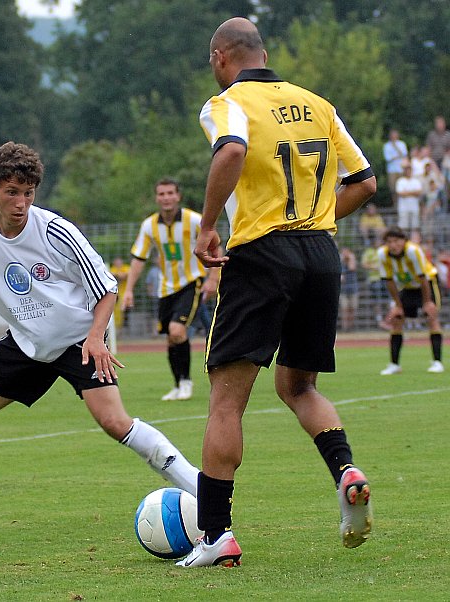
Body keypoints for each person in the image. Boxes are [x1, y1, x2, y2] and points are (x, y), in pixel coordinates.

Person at [0, 142, 200, 529]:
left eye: (28, 193)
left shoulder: (57, 232)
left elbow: (107, 289)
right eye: (11, 193)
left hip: (77, 340)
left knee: (114, 422)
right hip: (27, 343)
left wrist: (94, 336)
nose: (21, 203)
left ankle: (203, 491)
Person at [181, 18, 377, 568]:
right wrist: (314, 220)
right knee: (298, 386)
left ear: (221, 58)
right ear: (263, 53)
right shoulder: (317, 103)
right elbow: (364, 181)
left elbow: (232, 152)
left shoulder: (227, 102)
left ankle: (216, 535)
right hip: (320, 255)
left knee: (227, 399)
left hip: (262, 256)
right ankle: (346, 471)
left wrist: (207, 226)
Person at [121, 178, 219, 401]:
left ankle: (186, 382)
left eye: (170, 193)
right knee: (170, 338)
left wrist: (213, 277)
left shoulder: (194, 221)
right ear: (156, 198)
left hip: (191, 282)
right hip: (165, 288)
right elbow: (138, 258)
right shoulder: (149, 226)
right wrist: (128, 290)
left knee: (177, 330)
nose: (166, 198)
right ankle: (177, 385)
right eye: (161, 194)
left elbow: (215, 245)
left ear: (178, 196)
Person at [377, 227, 444, 375]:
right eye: (389, 242)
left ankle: (437, 362)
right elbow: (389, 281)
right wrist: (398, 305)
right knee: (397, 319)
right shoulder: (382, 254)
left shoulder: (413, 251)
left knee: (431, 317)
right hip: (407, 287)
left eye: (396, 241)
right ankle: (394, 364)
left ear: (404, 241)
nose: (393, 245)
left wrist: (427, 302)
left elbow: (423, 278)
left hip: (427, 283)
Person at [395, 162, 423, 236]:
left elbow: (419, 192)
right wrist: (413, 193)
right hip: (403, 208)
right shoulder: (400, 181)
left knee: (415, 226)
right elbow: (400, 193)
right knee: (403, 226)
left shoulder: (416, 181)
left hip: (414, 207)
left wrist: (407, 192)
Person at [383, 128, 408, 205]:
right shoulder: (386, 146)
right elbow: (387, 158)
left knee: (402, 188)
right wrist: (396, 156)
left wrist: (396, 148)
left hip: (401, 169)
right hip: (392, 170)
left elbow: (404, 154)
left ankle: (402, 204)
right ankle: (395, 204)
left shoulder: (401, 144)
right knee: (393, 189)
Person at [339, 247, 359, 332]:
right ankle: (345, 328)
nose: (345, 254)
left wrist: (351, 258)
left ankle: (351, 327)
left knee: (352, 309)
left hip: (353, 289)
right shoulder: (339, 262)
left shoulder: (352, 260)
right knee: (344, 309)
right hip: (343, 290)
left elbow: (352, 267)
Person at [109, 256, 130, 330]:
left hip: (125, 295)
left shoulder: (126, 267)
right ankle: (117, 329)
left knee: (125, 313)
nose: (118, 263)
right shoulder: (113, 268)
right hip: (115, 295)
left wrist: (116, 274)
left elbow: (124, 275)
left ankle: (123, 329)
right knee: (116, 312)